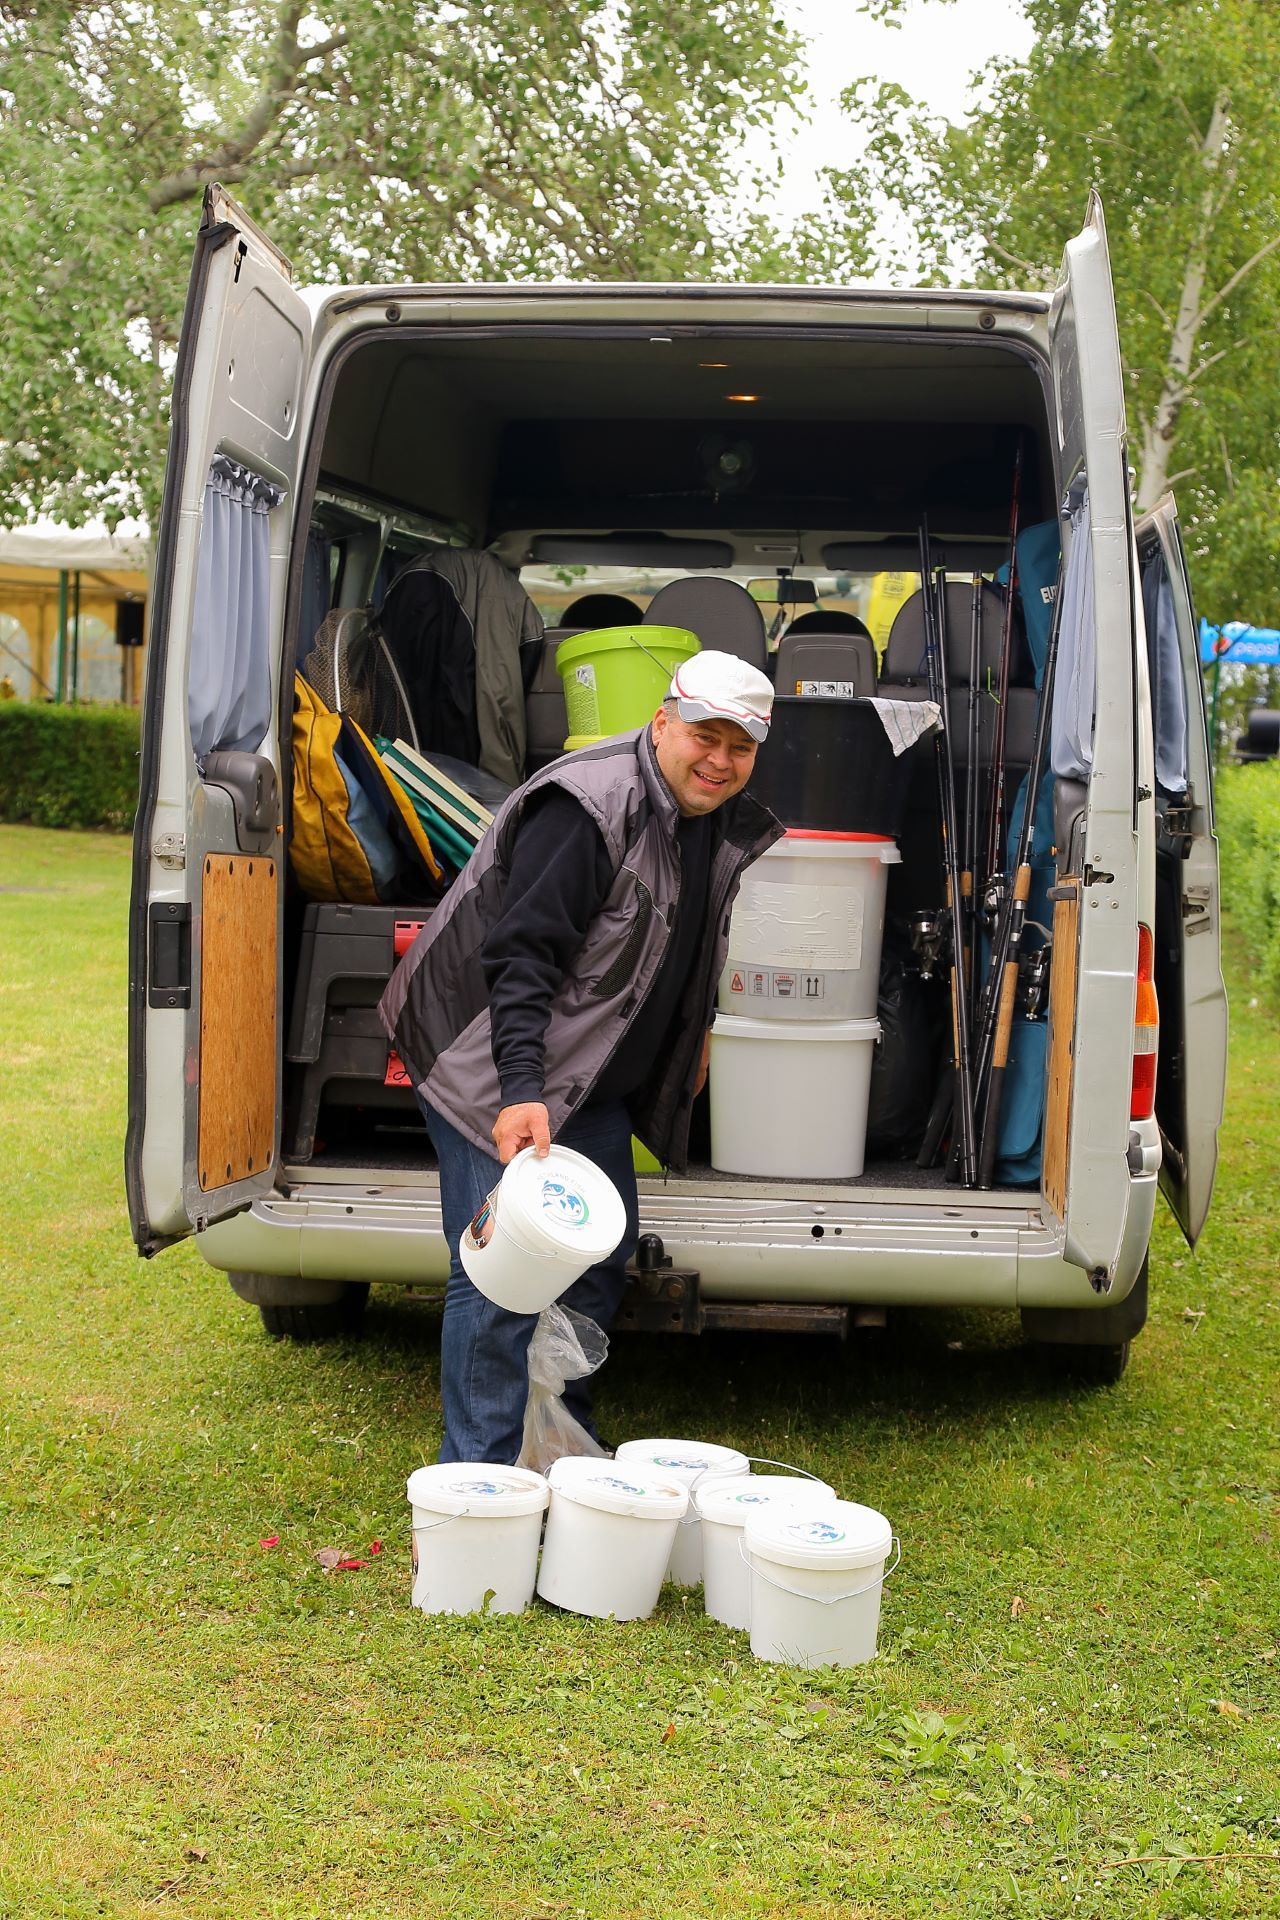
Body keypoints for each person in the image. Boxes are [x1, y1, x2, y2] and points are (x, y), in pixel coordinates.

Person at [380, 649, 782, 1463]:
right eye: (705, 736)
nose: (720, 760)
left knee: (596, 1256)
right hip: (489, 1064)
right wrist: (519, 1090)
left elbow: (680, 946)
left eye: (740, 747)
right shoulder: (587, 808)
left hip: (585, 1081)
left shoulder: (711, 816)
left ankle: (556, 1445)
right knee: (503, 1272)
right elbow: (521, 959)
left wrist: (695, 1034)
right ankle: (483, 1480)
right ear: (662, 722)